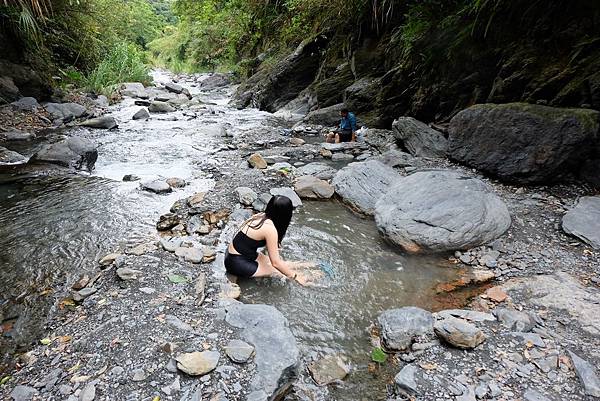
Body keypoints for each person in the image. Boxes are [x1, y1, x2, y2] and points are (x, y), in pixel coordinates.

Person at [224, 195, 309, 285]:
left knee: (285, 265)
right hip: (236, 262)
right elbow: (275, 263)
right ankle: (312, 279)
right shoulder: (270, 229)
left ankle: (309, 266)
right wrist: (296, 277)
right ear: (285, 214)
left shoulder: (261, 216)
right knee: (281, 273)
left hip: (239, 254)